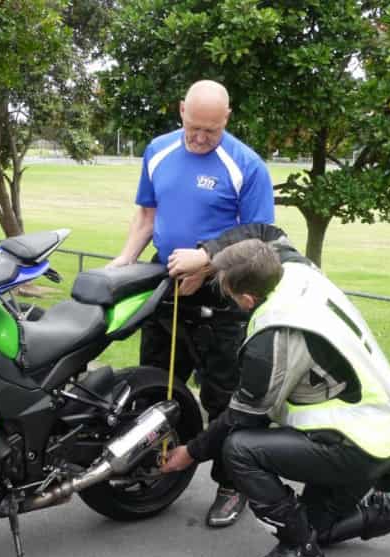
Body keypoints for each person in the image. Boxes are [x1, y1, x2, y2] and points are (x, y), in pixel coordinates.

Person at [160, 223, 390, 557]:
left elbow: (242, 418)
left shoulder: (273, 337)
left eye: (227, 291)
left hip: (354, 443)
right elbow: (266, 232)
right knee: (320, 529)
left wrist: (190, 452)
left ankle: (299, 554)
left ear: (247, 300)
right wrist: (206, 258)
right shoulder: (293, 269)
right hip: (381, 422)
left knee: (239, 449)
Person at [110, 80, 275, 527]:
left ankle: (232, 484)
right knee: (155, 383)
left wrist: (206, 262)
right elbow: (147, 215)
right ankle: (153, 468)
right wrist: (125, 259)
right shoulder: (158, 150)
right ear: (181, 110)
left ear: (227, 119)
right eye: (194, 127)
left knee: (222, 396)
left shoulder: (246, 165)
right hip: (165, 282)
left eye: (211, 131)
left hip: (221, 293)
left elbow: (259, 237)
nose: (200, 138)